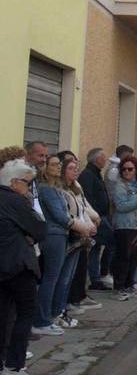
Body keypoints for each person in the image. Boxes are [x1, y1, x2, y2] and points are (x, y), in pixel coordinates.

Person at [0, 153, 43, 374]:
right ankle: (14, 365)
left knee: (3, 315)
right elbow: (38, 229)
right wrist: (27, 235)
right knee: (25, 313)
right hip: (18, 266)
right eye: (27, 183)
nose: (29, 188)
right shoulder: (16, 200)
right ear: (13, 182)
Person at [54, 155, 99, 328]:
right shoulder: (61, 191)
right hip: (70, 236)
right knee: (62, 277)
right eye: (71, 168)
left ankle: (63, 309)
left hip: (81, 236)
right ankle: (57, 311)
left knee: (69, 276)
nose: (75, 171)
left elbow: (83, 209)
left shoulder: (75, 189)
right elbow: (68, 216)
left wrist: (91, 222)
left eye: (76, 168)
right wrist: (84, 227)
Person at [32, 155, 76, 337]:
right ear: (45, 168)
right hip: (53, 236)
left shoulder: (55, 188)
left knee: (56, 277)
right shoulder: (45, 189)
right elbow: (59, 215)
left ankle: (48, 315)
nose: (58, 167)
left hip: (60, 234)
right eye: (54, 164)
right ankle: (42, 320)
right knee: (51, 277)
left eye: (59, 164)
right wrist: (77, 225)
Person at [109, 155, 137, 301]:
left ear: (136, 170)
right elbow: (121, 206)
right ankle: (119, 287)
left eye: (130, 169)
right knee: (123, 257)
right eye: (124, 169)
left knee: (134, 258)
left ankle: (129, 285)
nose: (126, 172)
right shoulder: (120, 185)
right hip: (124, 226)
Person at [79, 148, 114, 293]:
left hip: (101, 216)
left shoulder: (96, 173)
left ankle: (96, 278)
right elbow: (88, 198)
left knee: (96, 248)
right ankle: (98, 276)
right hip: (97, 218)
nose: (105, 160)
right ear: (96, 160)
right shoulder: (88, 175)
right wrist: (94, 218)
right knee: (110, 242)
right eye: (103, 158)